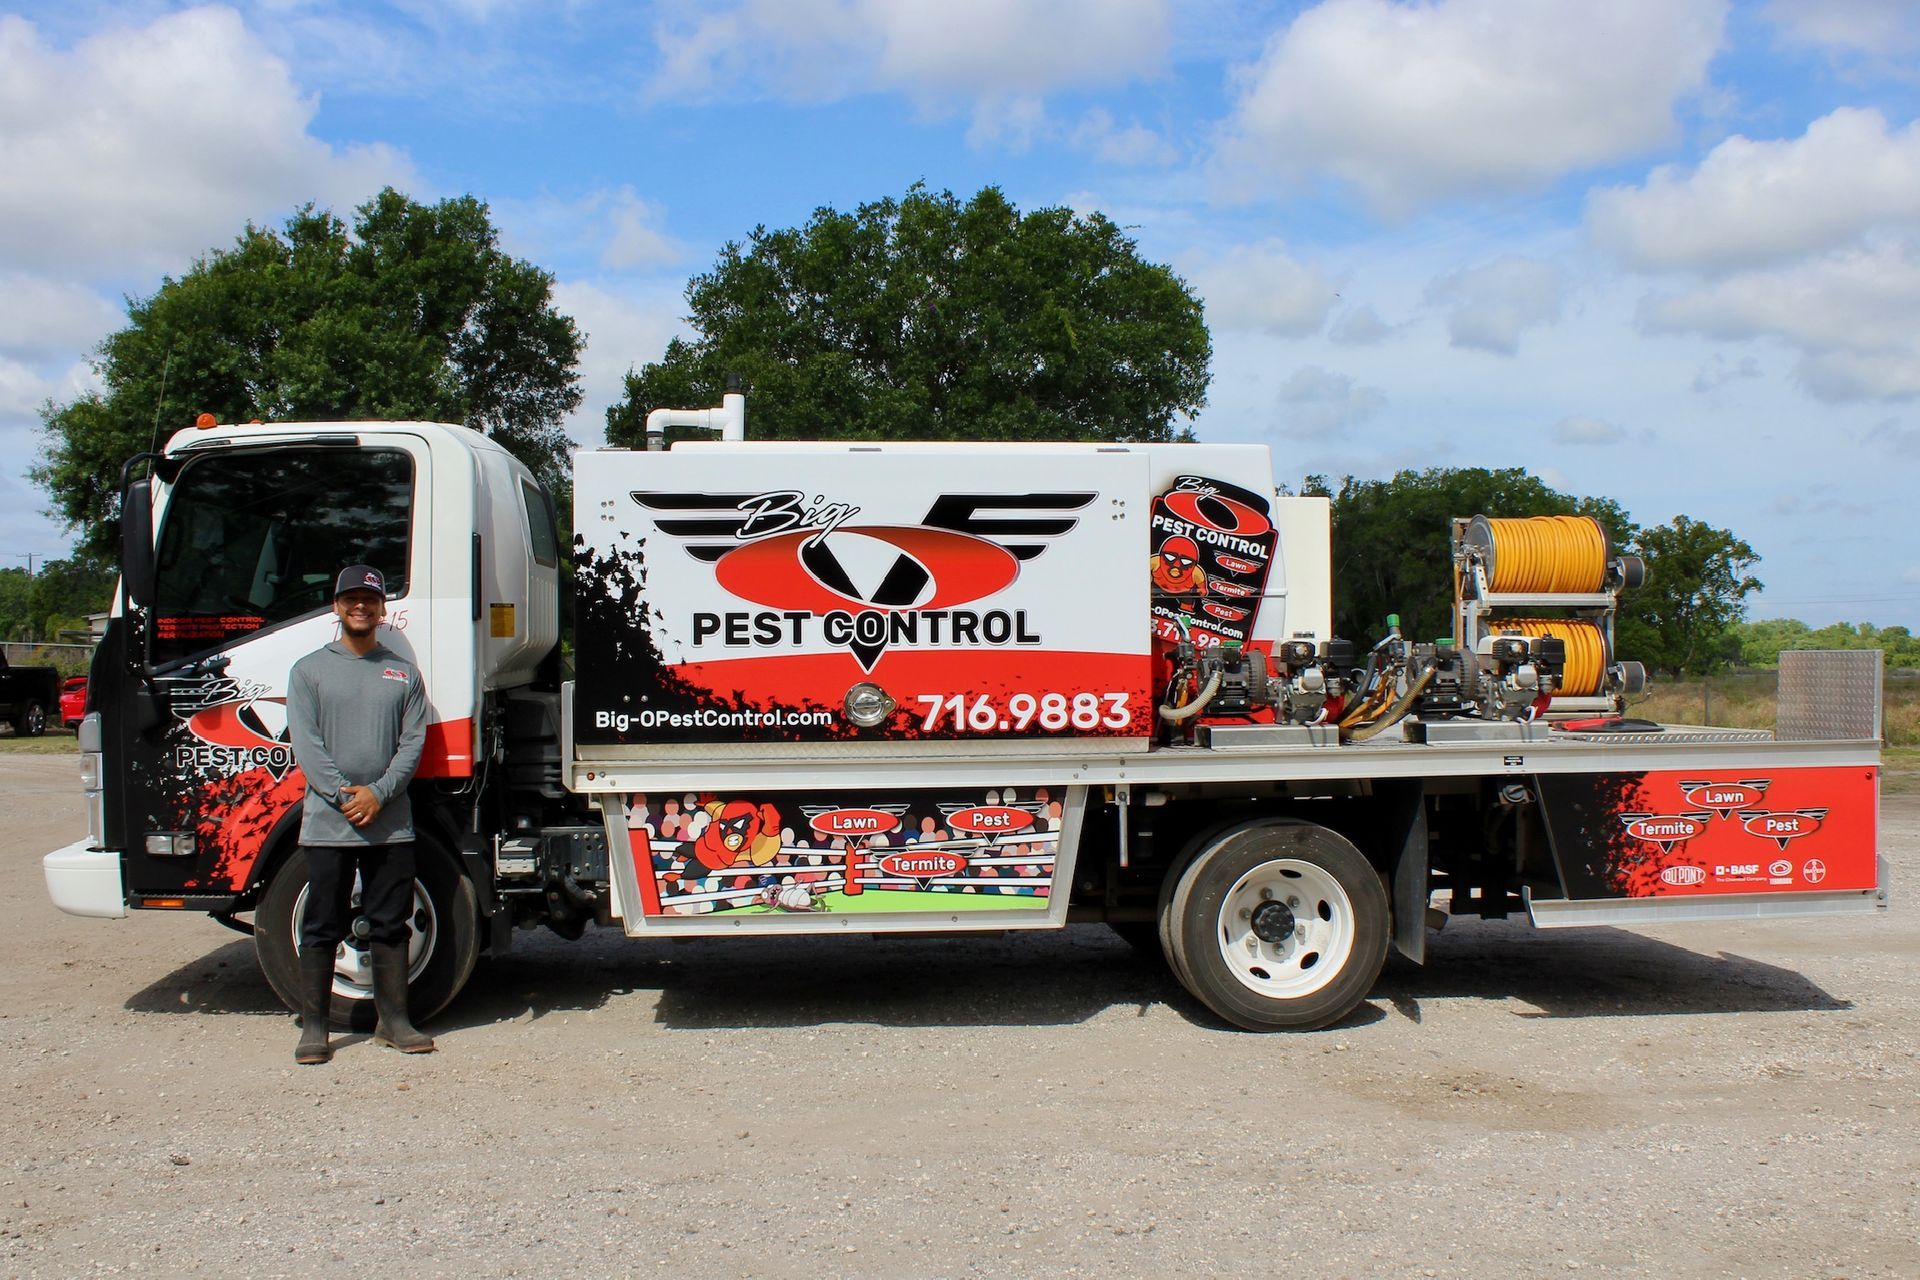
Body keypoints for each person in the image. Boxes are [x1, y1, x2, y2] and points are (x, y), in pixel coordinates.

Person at [286, 565, 432, 1064]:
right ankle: (314, 1029)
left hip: (390, 825)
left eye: (369, 600)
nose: (361, 607)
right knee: (322, 926)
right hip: (327, 825)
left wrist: (379, 793)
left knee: (391, 925)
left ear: (382, 609)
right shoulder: (308, 671)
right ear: (336, 606)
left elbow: (413, 742)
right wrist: (345, 796)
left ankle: (394, 1023)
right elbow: (306, 744)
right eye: (351, 599)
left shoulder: (403, 673)